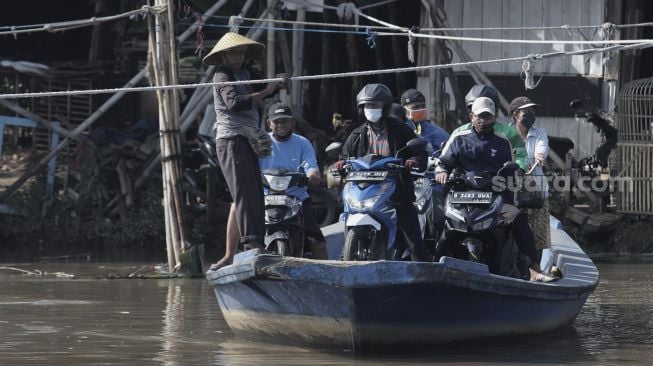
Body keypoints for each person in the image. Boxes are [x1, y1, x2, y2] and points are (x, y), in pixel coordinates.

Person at [435, 97, 556, 282]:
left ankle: (534, 268)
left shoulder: (503, 140)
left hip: (495, 197)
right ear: (471, 115)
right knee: (441, 222)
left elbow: (516, 164)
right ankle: (433, 266)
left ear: (494, 117)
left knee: (518, 217)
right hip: (462, 197)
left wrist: (516, 171)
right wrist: (442, 171)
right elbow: (443, 161)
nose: (483, 121)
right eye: (479, 116)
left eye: (487, 117)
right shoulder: (459, 137)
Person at [202, 32, 282, 270]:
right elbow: (234, 103)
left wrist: (277, 83)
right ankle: (252, 246)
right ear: (224, 56)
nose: (237, 57)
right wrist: (267, 91)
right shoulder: (222, 74)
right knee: (245, 196)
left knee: (248, 195)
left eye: (240, 52)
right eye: (233, 53)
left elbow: (264, 86)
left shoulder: (246, 73)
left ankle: (232, 253)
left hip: (246, 140)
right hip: (232, 140)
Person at [334, 83, 430, 262]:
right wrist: (340, 163)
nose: (371, 109)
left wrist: (414, 161)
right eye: (368, 106)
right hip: (364, 191)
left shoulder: (401, 130)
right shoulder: (357, 134)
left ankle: (424, 277)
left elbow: (420, 153)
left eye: (376, 105)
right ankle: (343, 263)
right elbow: (344, 156)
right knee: (345, 236)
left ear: (385, 108)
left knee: (415, 243)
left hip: (397, 194)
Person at [258, 102, 329, 259]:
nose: (281, 125)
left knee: (318, 243)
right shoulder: (261, 142)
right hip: (265, 200)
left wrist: (313, 176)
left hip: (296, 199)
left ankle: (326, 279)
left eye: (284, 121)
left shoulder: (302, 142)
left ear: (291, 123)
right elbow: (249, 167)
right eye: (277, 121)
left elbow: (312, 167)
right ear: (269, 123)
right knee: (250, 237)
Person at [509, 96, 551, 256]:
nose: (531, 114)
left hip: (536, 191)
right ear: (515, 115)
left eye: (532, 111)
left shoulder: (539, 134)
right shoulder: (506, 134)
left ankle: (536, 269)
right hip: (511, 190)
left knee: (538, 237)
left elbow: (542, 149)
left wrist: (539, 156)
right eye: (526, 111)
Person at [400, 89, 450, 156]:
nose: (420, 110)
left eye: (423, 106)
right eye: (416, 107)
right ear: (404, 110)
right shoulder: (400, 131)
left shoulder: (438, 133)